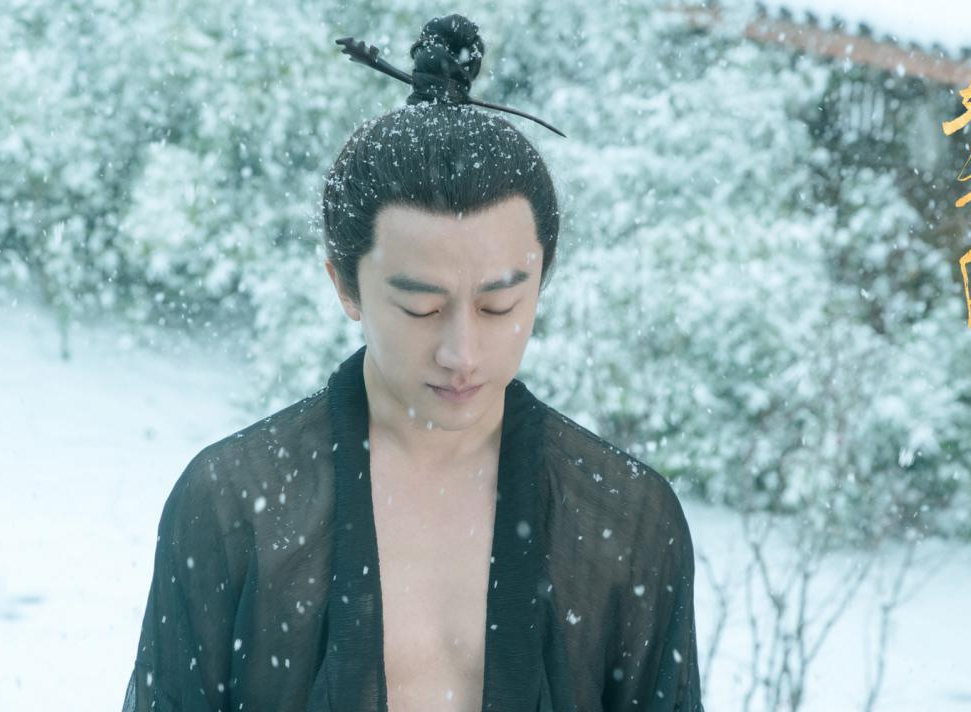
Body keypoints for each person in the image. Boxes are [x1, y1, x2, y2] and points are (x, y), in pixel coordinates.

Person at [122, 14, 702, 712]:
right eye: (421, 308)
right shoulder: (232, 505)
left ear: (541, 280)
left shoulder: (628, 519)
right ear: (345, 286)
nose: (462, 352)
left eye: (498, 306)